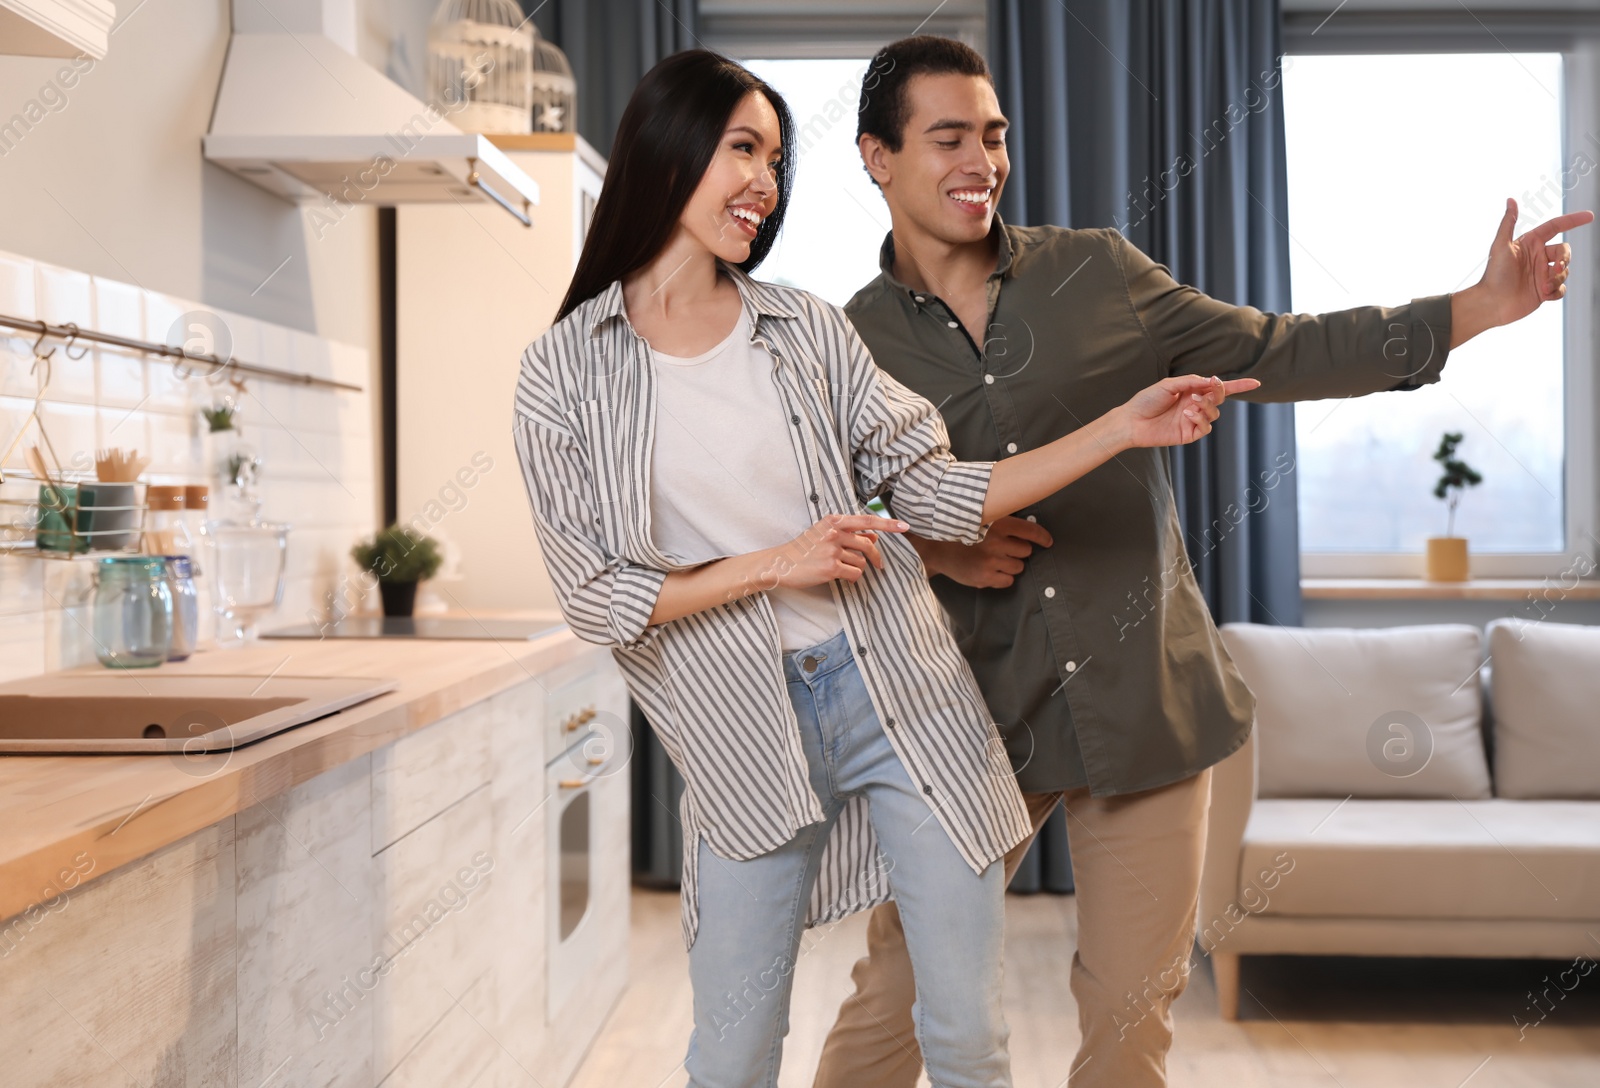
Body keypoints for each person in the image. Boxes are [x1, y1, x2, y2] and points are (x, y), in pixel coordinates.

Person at [811, 34, 1593, 1088]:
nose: (980, 160)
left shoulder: (1096, 274)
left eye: (992, 135)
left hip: (1147, 699)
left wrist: (1475, 307)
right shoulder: (843, 342)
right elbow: (821, 526)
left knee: (1130, 1017)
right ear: (875, 155)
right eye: (946, 136)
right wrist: (940, 553)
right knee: (896, 998)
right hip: (968, 720)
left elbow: (1281, 348)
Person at [513, 48, 1258, 1088]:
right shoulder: (563, 371)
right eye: (741, 150)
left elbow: (939, 486)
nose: (763, 184)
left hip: (900, 695)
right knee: (729, 1054)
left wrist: (1116, 429)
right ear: (667, 151)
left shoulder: (806, 331)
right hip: (741, 726)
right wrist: (774, 563)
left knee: (964, 1037)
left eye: (774, 159)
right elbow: (597, 599)